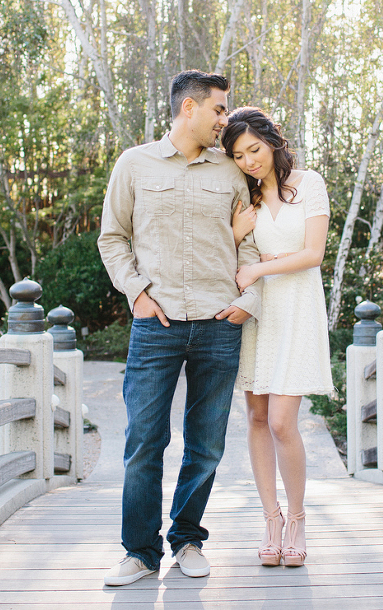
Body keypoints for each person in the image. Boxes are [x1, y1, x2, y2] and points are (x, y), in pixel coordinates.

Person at [97, 70, 262, 587]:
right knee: (145, 440)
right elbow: (112, 238)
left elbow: (251, 242)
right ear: (188, 108)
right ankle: (140, 552)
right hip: (157, 325)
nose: (224, 120)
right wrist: (138, 294)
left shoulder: (231, 173)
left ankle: (187, 538)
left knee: (207, 443)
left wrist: (247, 301)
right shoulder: (134, 164)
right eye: (218, 109)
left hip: (219, 323)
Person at [221, 106, 333, 568]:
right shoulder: (242, 201)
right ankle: (270, 519)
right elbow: (223, 254)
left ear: (272, 142)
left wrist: (260, 266)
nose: (249, 160)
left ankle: (298, 519)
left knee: (285, 421)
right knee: (257, 418)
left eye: (254, 149)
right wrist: (235, 232)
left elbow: (313, 254)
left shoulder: (308, 184)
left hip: (297, 309)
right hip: (259, 312)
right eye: (239, 155)